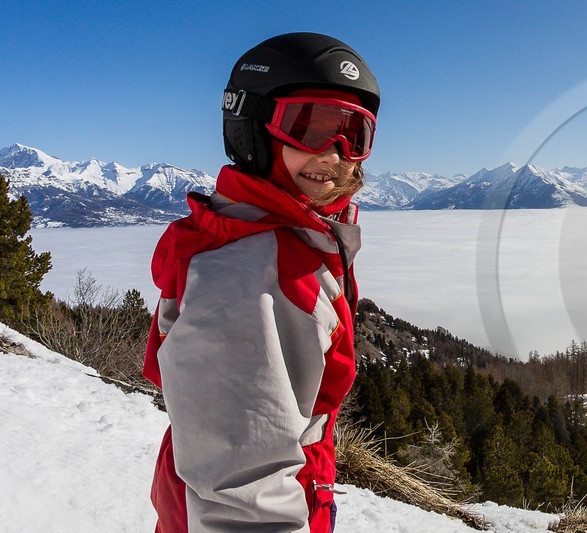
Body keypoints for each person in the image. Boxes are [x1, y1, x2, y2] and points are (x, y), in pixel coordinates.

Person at [142, 32, 379, 532]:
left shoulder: (281, 242)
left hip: (291, 490)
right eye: (310, 126)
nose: (335, 154)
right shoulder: (247, 274)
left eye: (353, 133)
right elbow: (242, 502)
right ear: (253, 129)